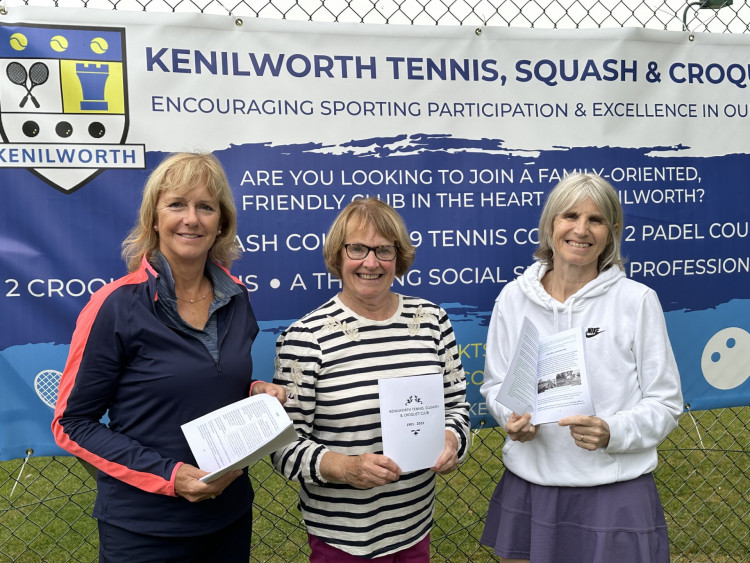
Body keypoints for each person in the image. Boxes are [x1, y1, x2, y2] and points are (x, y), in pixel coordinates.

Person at [52, 152, 286, 563]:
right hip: (145, 530)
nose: (191, 219)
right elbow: (72, 424)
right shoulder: (115, 305)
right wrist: (171, 477)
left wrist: (254, 391)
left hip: (229, 518)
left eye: (206, 207)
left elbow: (209, 380)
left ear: (221, 224)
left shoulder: (237, 297)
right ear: (154, 219)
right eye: (176, 204)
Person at [480, 173, 683, 563]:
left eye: (596, 220)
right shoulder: (512, 299)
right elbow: (497, 384)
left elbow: (666, 402)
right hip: (532, 484)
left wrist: (613, 431)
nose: (581, 229)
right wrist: (512, 416)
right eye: (569, 216)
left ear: (612, 231)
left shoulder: (636, 301)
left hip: (613, 489)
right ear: (550, 224)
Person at [271, 197, 470, 561]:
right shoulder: (306, 337)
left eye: (383, 250)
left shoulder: (432, 321)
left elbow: (457, 406)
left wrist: (452, 439)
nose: (371, 262)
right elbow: (284, 449)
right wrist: (345, 468)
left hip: (414, 527)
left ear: (399, 257)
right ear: (338, 255)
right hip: (342, 540)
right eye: (358, 248)